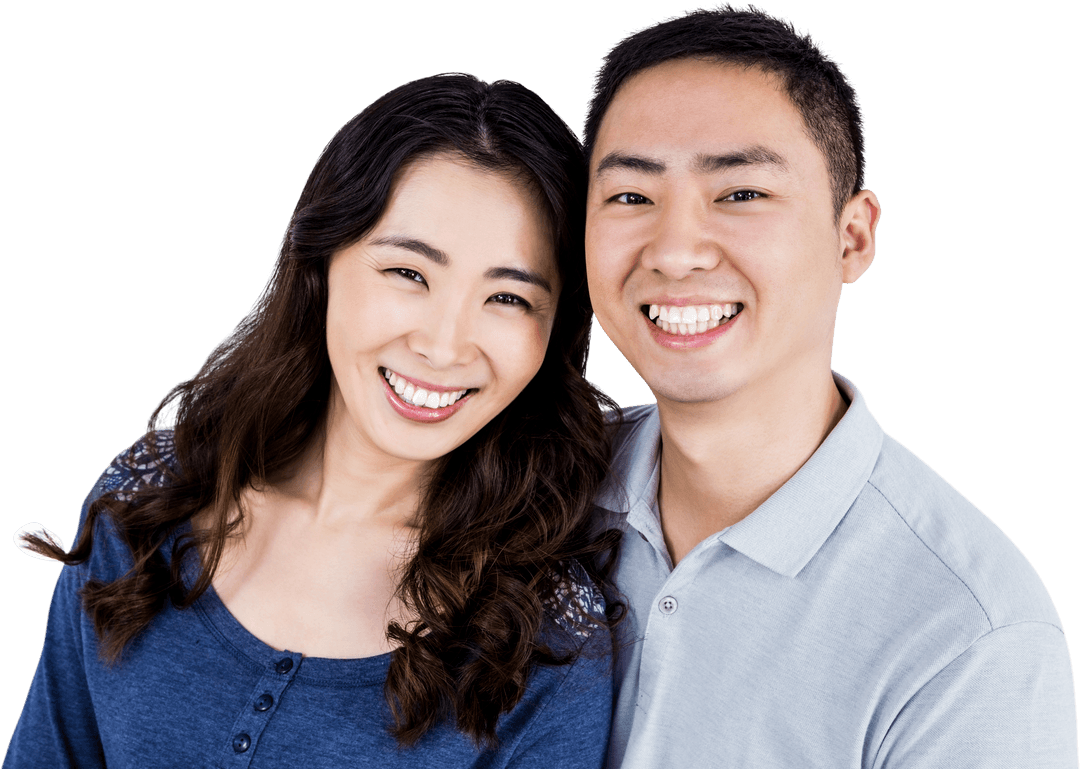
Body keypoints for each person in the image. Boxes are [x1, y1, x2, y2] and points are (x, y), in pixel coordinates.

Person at [5, 72, 620, 768]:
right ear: (322, 261)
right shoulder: (146, 506)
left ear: (553, 332)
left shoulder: (545, 643)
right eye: (410, 273)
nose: (444, 345)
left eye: (508, 297)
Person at [580, 6, 1078, 767]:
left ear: (853, 237)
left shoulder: (969, 635)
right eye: (630, 196)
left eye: (740, 193)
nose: (675, 251)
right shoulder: (528, 482)